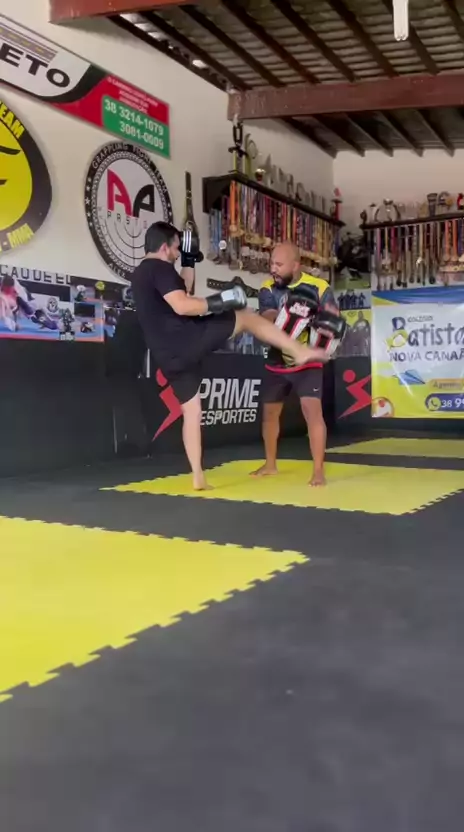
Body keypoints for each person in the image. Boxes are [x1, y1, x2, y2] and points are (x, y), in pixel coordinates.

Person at [131, 222, 329, 491]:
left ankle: (198, 477)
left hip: (167, 355)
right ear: (164, 247)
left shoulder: (141, 274)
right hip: (186, 339)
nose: (177, 254)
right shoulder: (159, 267)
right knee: (246, 317)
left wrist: (189, 262)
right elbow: (183, 305)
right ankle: (299, 350)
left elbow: (182, 292)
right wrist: (222, 300)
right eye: (177, 249)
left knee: (192, 411)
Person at [252, 241, 341, 487]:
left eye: (279, 264)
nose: (273, 269)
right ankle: (270, 464)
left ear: (295, 265)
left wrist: (319, 324)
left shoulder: (319, 287)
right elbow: (267, 316)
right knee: (270, 413)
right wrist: (290, 315)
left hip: (306, 360)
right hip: (277, 357)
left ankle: (318, 471)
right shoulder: (268, 287)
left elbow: (332, 320)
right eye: (271, 263)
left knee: (312, 412)